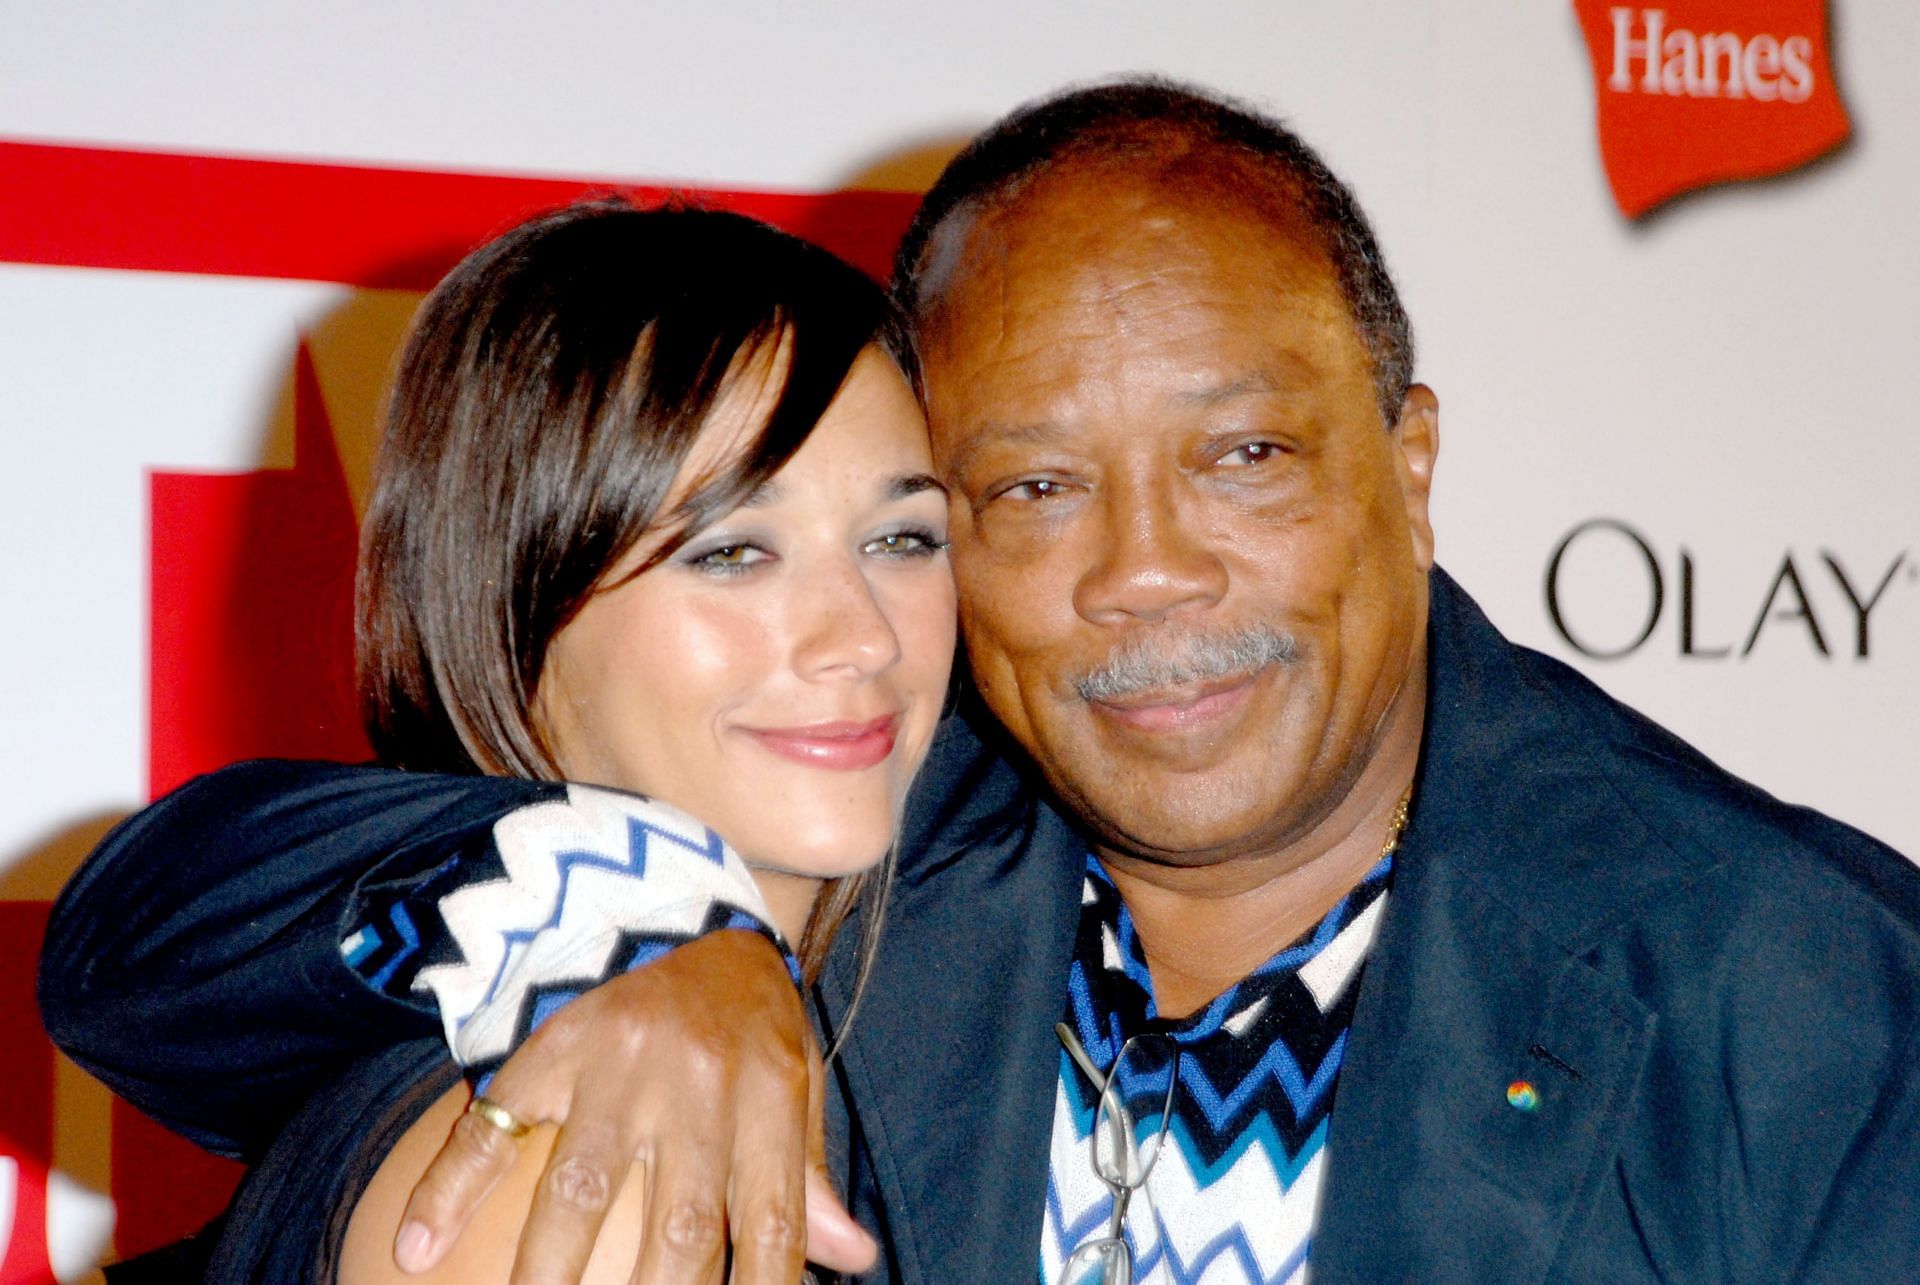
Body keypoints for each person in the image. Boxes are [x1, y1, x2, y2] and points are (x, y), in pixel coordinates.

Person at [44, 79, 1920, 1282]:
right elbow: (149, 935)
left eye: (1244, 456)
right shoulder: (863, 856)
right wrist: (638, 914)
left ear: (1407, 465)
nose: (1146, 567)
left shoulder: (1796, 982)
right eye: (1024, 486)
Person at [41, 198, 956, 1281]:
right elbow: (133, 936)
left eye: (902, 537)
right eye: (731, 553)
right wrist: (645, 907)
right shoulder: (593, 1164)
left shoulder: (950, 923)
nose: (862, 635)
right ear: (519, 610)